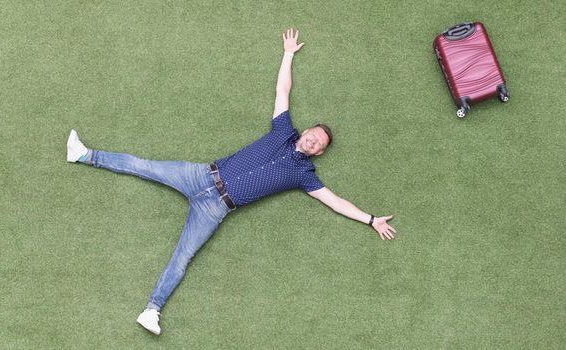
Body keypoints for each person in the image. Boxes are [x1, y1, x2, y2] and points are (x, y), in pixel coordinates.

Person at [65, 28, 397, 335]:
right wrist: (288, 54)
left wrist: (370, 219)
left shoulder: (304, 175)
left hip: (215, 208)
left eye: (319, 144)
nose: (313, 142)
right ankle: (82, 155)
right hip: (201, 175)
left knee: (182, 258)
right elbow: (283, 90)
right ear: (306, 131)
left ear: (319, 153)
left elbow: (335, 200)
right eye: (314, 135)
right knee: (143, 165)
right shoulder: (283, 130)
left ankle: (152, 310)